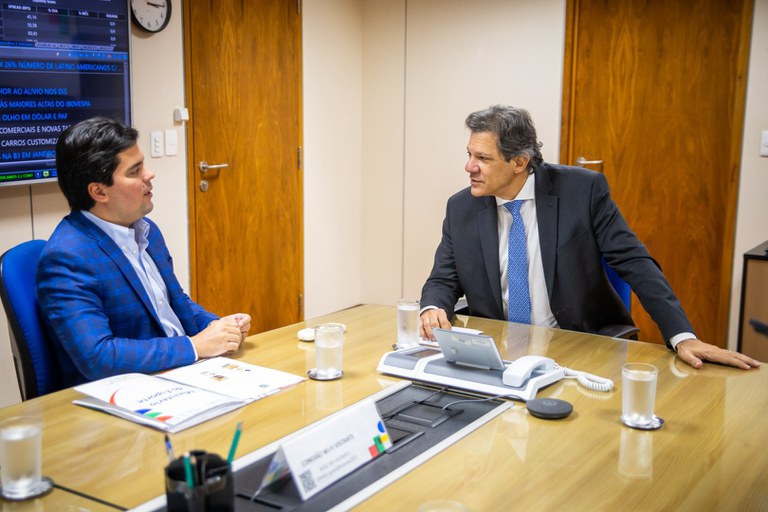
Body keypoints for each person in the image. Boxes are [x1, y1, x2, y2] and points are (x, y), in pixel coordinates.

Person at [419, 105, 759, 371]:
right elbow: (443, 278)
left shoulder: (582, 191)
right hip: (497, 354)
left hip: (577, 346)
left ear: (519, 161)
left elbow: (635, 262)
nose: (469, 167)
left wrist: (682, 336)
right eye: (469, 155)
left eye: (482, 158)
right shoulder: (462, 207)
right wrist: (433, 307)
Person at [37, 117, 252, 387]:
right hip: (131, 391)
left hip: (182, 371)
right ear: (99, 191)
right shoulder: (67, 258)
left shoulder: (146, 229)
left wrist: (219, 327)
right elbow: (98, 357)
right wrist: (195, 346)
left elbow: (176, 304)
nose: (149, 175)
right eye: (134, 171)